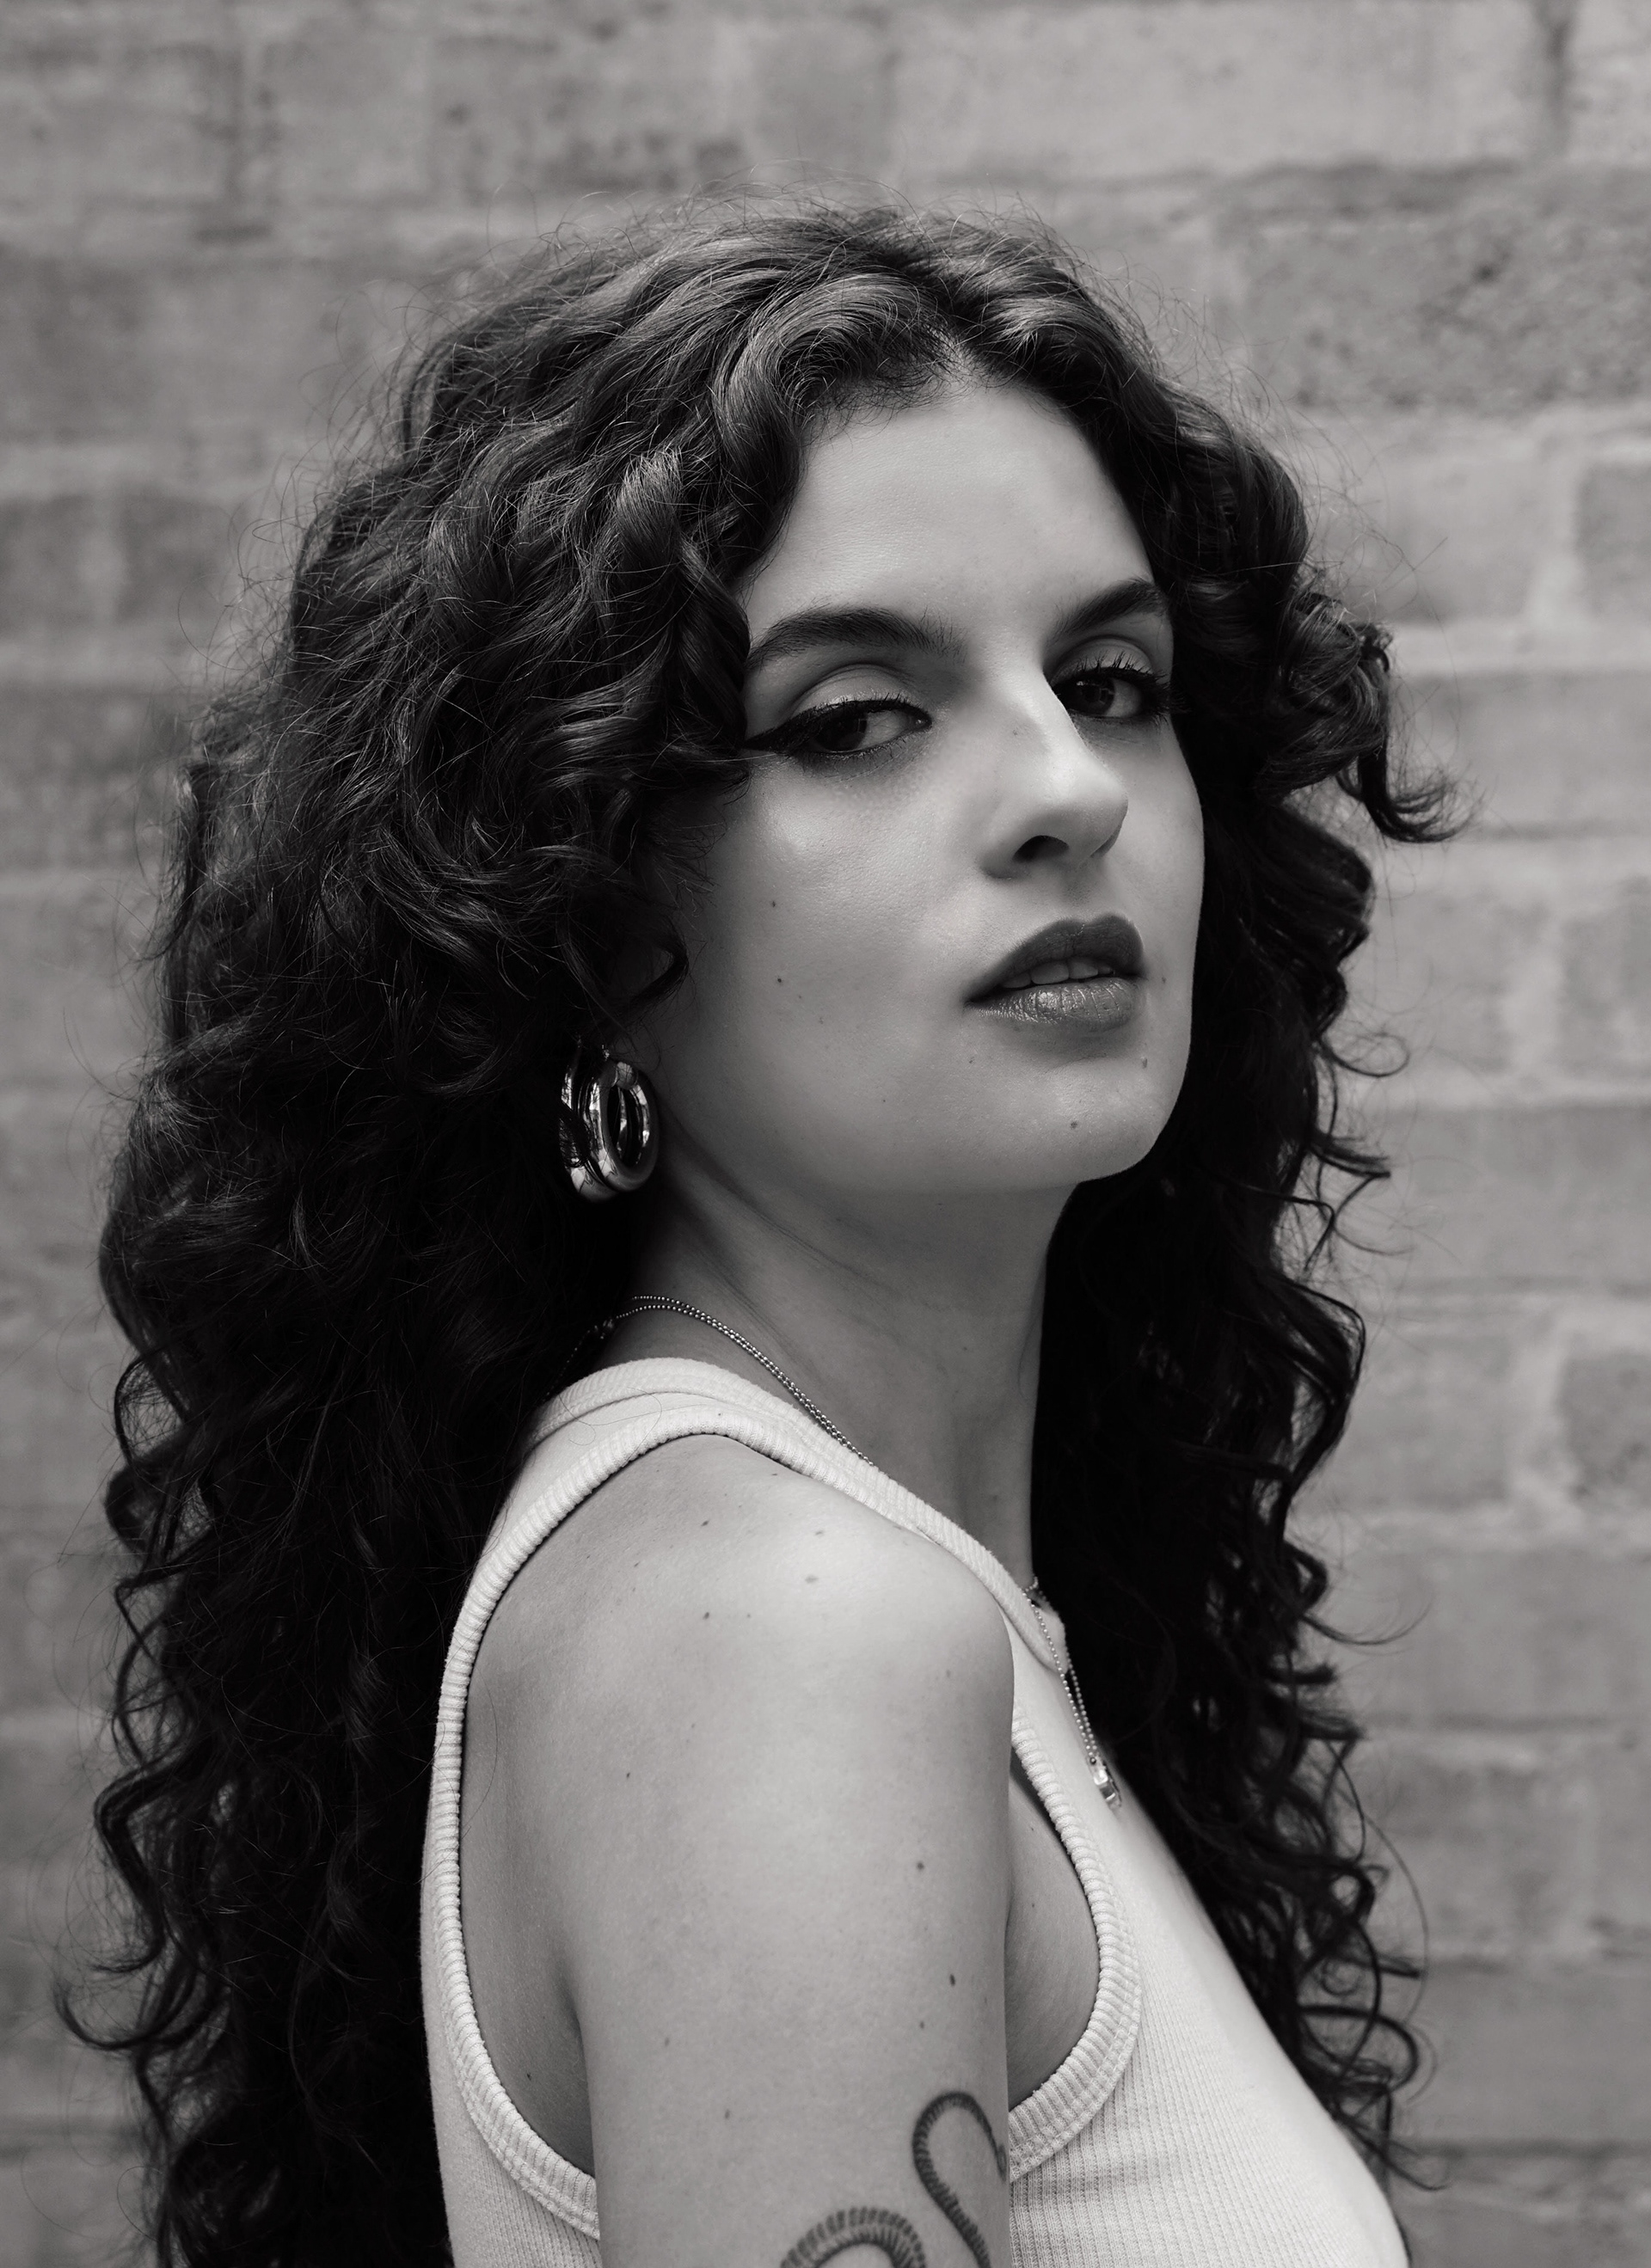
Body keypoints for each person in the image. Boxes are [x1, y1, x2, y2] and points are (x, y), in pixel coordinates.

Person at [77, 201, 1443, 2268]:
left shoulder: (854, 1586)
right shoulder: (793, 1637)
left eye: (1110, 678)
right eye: (855, 716)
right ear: (579, 898)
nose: (1067, 786)